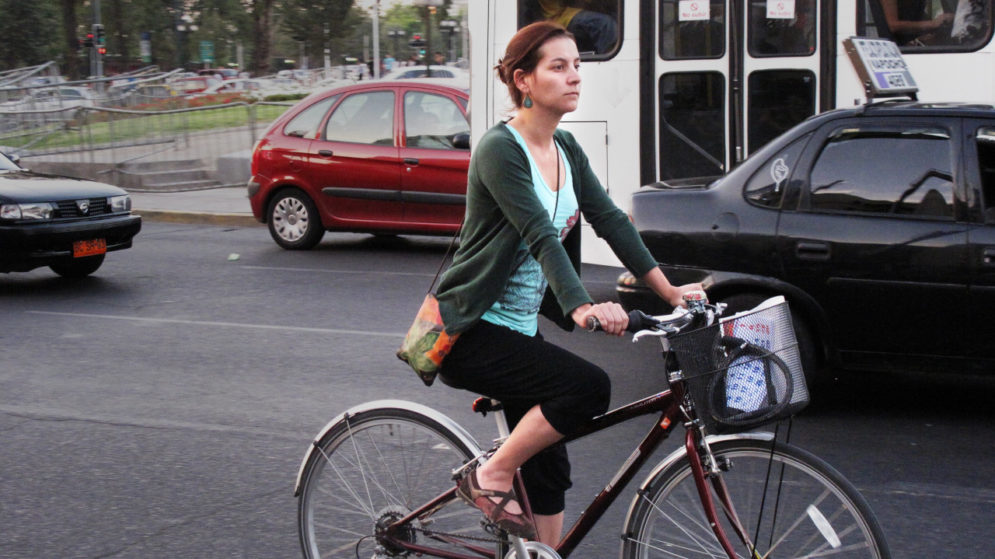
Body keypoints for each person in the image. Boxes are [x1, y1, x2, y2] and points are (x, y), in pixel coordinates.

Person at [435, 21, 701, 545]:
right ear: (524, 81)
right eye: (558, 66)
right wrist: (581, 306)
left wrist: (670, 292)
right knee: (586, 387)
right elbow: (538, 233)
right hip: (471, 329)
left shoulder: (567, 149)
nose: (575, 75)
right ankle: (488, 475)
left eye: (577, 64)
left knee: (550, 471)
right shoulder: (500, 149)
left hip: (516, 331)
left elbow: (612, 221)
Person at [880, 0, 954, 45]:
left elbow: (916, 16)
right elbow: (893, 25)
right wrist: (932, 24)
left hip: (920, 41)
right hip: (900, 48)